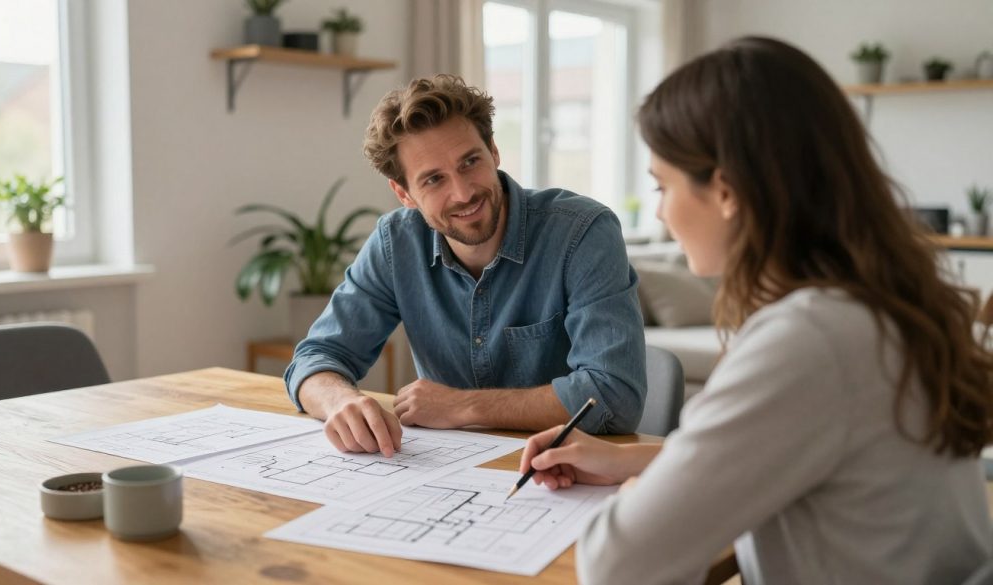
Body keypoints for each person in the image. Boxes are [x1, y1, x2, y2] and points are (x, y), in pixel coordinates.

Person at [519, 37, 993, 584]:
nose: (661, 212)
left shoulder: (808, 340)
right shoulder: (882, 304)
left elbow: (619, 566)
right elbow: (794, 451)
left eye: (662, 185)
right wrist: (633, 461)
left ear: (725, 191)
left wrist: (647, 495)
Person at [283, 74, 647, 457]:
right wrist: (340, 401)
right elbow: (314, 359)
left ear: (494, 151)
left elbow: (615, 396)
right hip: (446, 473)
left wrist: (463, 405)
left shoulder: (583, 233)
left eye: (470, 161)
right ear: (404, 193)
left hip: (566, 470)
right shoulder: (396, 244)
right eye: (434, 179)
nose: (463, 192)